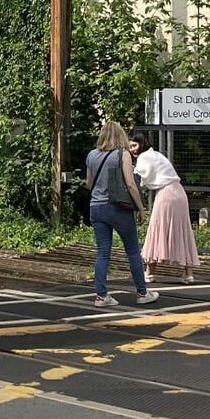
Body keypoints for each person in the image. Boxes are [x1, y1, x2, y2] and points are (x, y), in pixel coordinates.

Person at [86, 121, 159, 307]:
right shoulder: (122, 154)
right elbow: (130, 183)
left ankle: (101, 296)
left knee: (103, 253)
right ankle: (142, 293)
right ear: (121, 136)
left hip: (96, 207)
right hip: (118, 208)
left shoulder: (92, 155)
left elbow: (89, 183)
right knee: (133, 251)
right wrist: (141, 208)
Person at [129, 132, 199, 284]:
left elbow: (139, 174)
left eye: (134, 145)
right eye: (130, 147)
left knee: (157, 229)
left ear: (142, 144)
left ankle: (149, 272)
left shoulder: (145, 157)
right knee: (183, 230)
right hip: (179, 192)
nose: (133, 150)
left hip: (166, 193)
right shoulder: (157, 154)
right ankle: (189, 273)